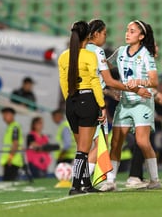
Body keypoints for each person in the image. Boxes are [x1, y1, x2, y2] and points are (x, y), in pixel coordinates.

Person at [100, 20, 161, 191]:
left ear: (141, 36)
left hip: (142, 103)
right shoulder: (120, 51)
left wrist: (140, 82)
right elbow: (105, 68)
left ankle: (155, 179)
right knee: (116, 142)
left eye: (132, 31)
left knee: (142, 142)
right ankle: (110, 181)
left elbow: (154, 81)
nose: (127, 33)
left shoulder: (146, 55)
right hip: (125, 102)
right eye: (127, 30)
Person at [86, 19, 151, 176]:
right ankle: (85, 179)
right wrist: (136, 90)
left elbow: (92, 81)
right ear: (96, 34)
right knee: (101, 143)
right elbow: (108, 80)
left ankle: (82, 180)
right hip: (94, 102)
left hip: (79, 101)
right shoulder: (97, 51)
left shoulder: (80, 50)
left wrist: (108, 92)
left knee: (84, 146)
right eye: (104, 34)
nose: (105, 38)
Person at [58, 21, 106, 195]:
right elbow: (94, 82)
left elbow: (63, 83)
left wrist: (71, 101)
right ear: (88, 36)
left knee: (81, 147)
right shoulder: (88, 56)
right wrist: (102, 105)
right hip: (87, 100)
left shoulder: (64, 56)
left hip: (71, 102)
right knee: (83, 149)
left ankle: (86, 184)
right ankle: (75, 186)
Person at [0, 107, 24, 181]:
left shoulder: (14, 127)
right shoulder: (11, 127)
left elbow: (15, 144)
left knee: (9, 184)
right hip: (10, 161)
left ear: (12, 115)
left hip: (12, 161)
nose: (4, 117)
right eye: (3, 115)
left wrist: (10, 158)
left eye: (6, 114)